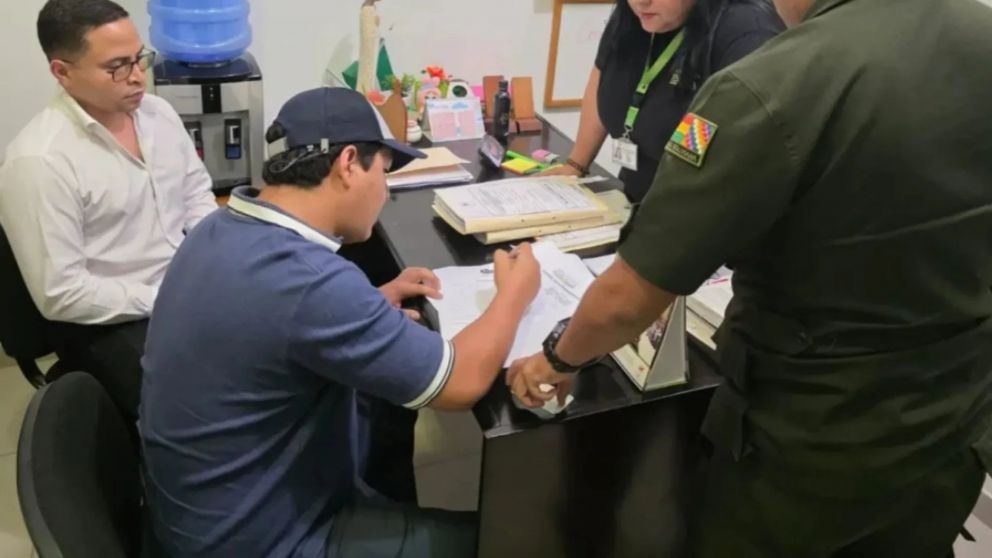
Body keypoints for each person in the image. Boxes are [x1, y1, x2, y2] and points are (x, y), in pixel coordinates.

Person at [509, 0, 992, 556]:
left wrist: (558, 358)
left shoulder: (770, 82)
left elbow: (629, 297)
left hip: (810, 447)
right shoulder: (978, 32)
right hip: (950, 420)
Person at [139, 87, 541, 558]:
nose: (385, 191)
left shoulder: (217, 229)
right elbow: (462, 381)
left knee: (387, 411)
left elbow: (271, 322)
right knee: (518, 538)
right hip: (263, 541)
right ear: (349, 163)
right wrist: (515, 292)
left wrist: (368, 302)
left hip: (199, 516)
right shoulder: (310, 282)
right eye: (384, 172)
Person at [0, 0, 216, 417]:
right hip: (110, 318)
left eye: (139, 59)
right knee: (192, 405)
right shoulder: (41, 162)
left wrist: (222, 258)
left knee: (272, 350)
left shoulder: (159, 115)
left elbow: (196, 196)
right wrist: (167, 297)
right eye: (116, 67)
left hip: (185, 285)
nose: (137, 77)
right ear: (62, 72)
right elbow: (63, 295)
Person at [542, 0, 783, 202]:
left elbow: (733, 165)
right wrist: (576, 165)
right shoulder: (636, 11)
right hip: (636, 200)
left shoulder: (747, 33)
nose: (640, 2)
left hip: (700, 218)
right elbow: (602, 74)